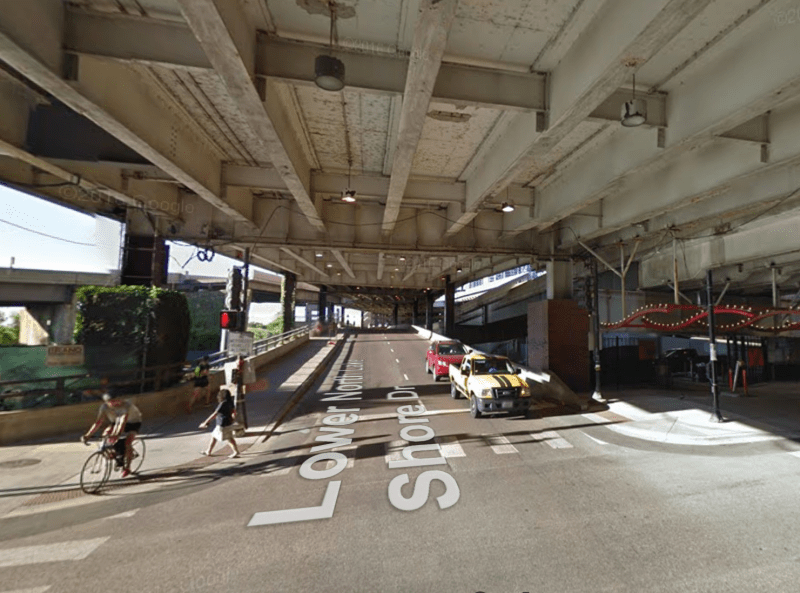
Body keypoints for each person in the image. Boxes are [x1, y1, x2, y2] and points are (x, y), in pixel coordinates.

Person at [81, 389, 143, 478]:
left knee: (128, 442)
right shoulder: (104, 407)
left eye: (116, 401)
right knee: (105, 434)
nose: (115, 404)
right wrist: (87, 435)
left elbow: (122, 422)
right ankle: (113, 452)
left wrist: (117, 434)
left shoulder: (126, 406)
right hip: (116, 421)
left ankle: (127, 468)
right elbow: (98, 422)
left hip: (133, 422)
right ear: (107, 402)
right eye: (111, 402)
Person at [199, 389, 240, 459]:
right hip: (228, 422)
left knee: (220, 437)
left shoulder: (222, 404)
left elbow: (215, 414)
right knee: (228, 438)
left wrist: (205, 422)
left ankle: (235, 451)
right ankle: (208, 451)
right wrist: (233, 418)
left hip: (221, 424)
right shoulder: (230, 402)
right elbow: (234, 411)